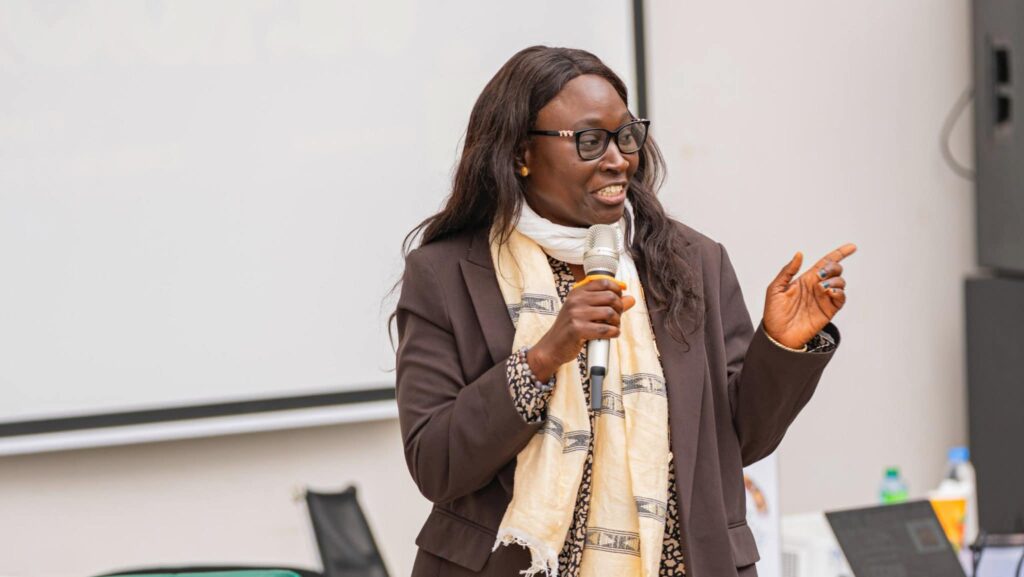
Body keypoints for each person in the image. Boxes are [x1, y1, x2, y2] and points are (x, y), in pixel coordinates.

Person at [393, 45, 855, 577]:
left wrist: (780, 347)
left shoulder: (692, 262)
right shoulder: (447, 274)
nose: (618, 159)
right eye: (589, 141)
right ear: (522, 153)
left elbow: (740, 443)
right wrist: (542, 359)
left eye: (626, 135)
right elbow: (436, 463)